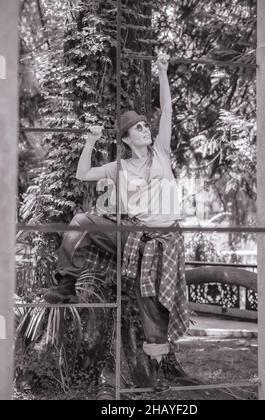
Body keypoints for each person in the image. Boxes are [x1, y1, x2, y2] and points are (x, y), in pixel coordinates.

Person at [44, 54, 189, 392]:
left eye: (144, 125)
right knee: (81, 221)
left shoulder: (162, 153)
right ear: (126, 138)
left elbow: (166, 112)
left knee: (153, 309)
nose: (145, 129)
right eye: (139, 127)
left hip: (165, 242)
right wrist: (91, 140)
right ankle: (65, 284)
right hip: (133, 237)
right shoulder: (120, 166)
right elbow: (83, 174)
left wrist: (163, 72)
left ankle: (154, 373)